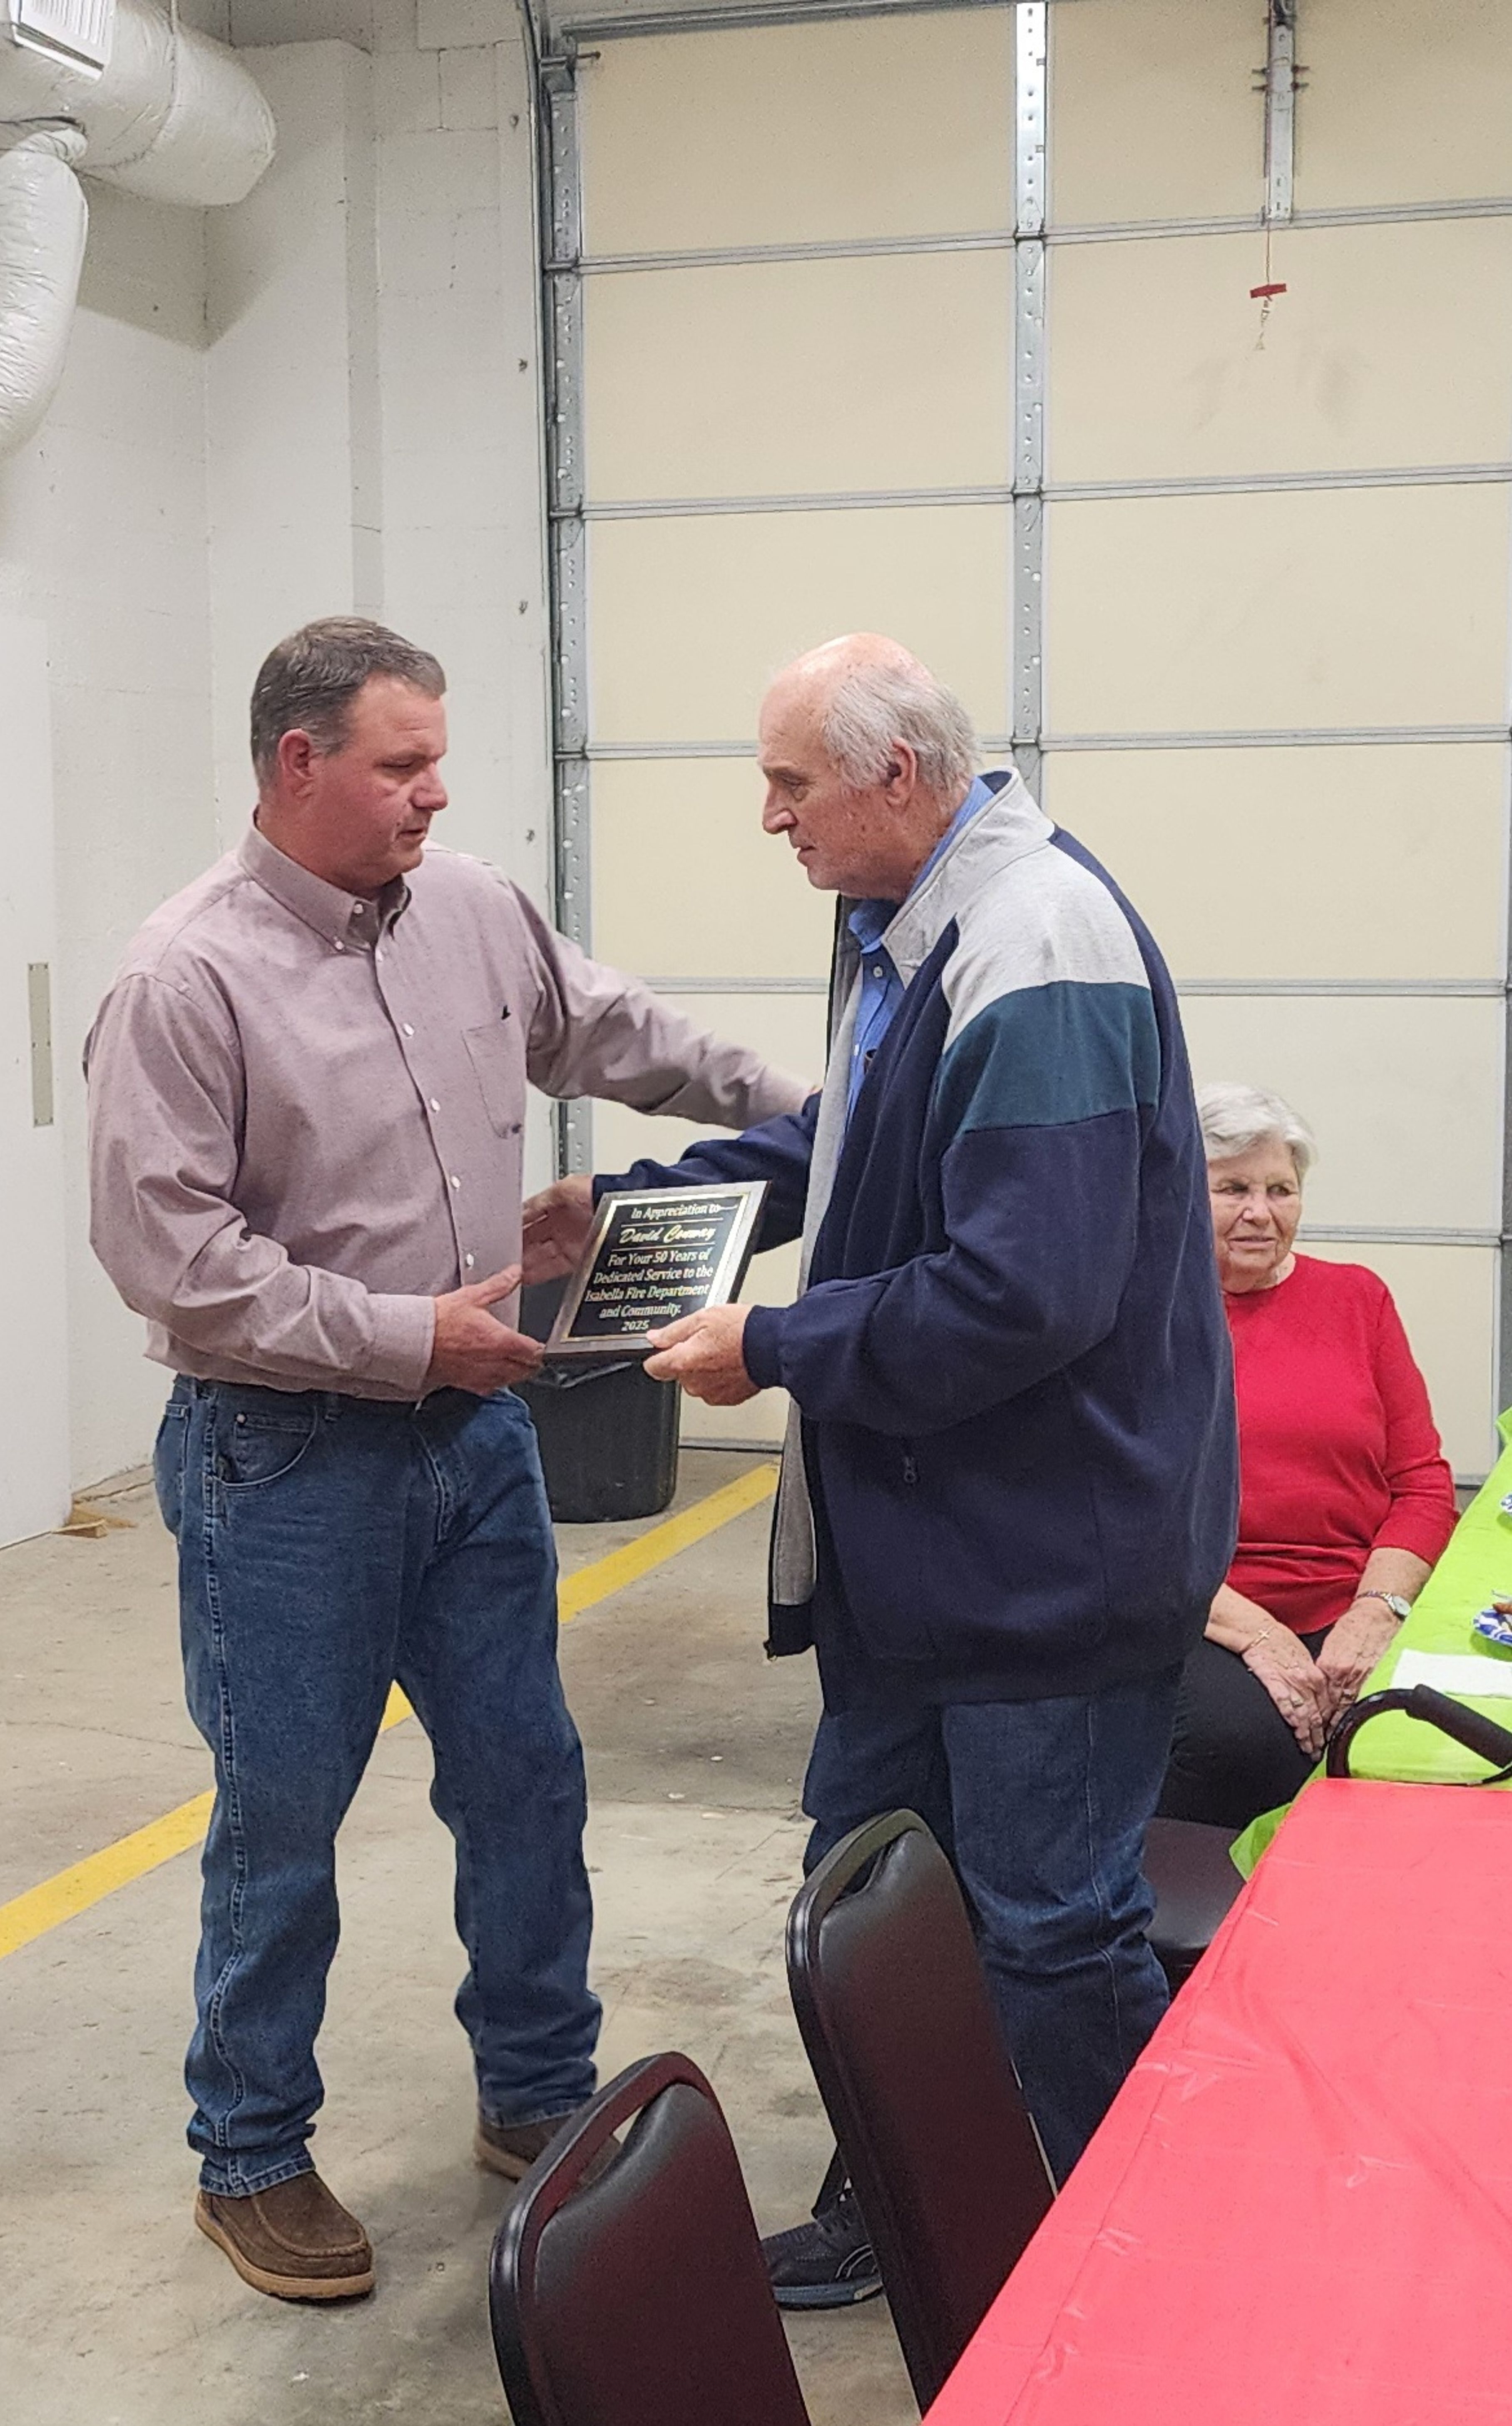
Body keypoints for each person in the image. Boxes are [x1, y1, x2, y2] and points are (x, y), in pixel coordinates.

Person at [85, 617, 809, 2305]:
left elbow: (619, 1030)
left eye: (438, 760)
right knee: (283, 1815)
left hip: (476, 1437)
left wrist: (834, 1109)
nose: (436, 791)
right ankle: (249, 2150)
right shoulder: (185, 978)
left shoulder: (472, 909)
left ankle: (538, 2086)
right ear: (299, 762)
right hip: (287, 1455)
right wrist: (409, 1333)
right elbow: (171, 1257)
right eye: (402, 764)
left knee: (524, 1774)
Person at [523, 633, 1237, 2300]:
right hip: (919, 1551)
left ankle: (1165, 2266)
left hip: (1048, 1564)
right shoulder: (906, 922)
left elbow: (1029, 1291)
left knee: (1051, 1930)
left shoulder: (1038, 943)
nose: (769, 816)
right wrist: (633, 1210)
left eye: (791, 783)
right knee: (878, 1908)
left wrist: (773, 1347)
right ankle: (907, 2204)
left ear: (894, 776)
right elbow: (842, 1144)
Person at [1157, 1082, 1456, 1831]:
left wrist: (1377, 1611)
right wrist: (1259, 1635)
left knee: (1438, 1736)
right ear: (1182, 1192)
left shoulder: (1359, 1299)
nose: (1261, 1212)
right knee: (1248, 1744)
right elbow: (1123, 1519)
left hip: (1355, 1598)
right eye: (1233, 1189)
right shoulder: (1146, 1315)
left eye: (1280, 1189)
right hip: (1205, 1609)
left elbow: (1421, 1484)